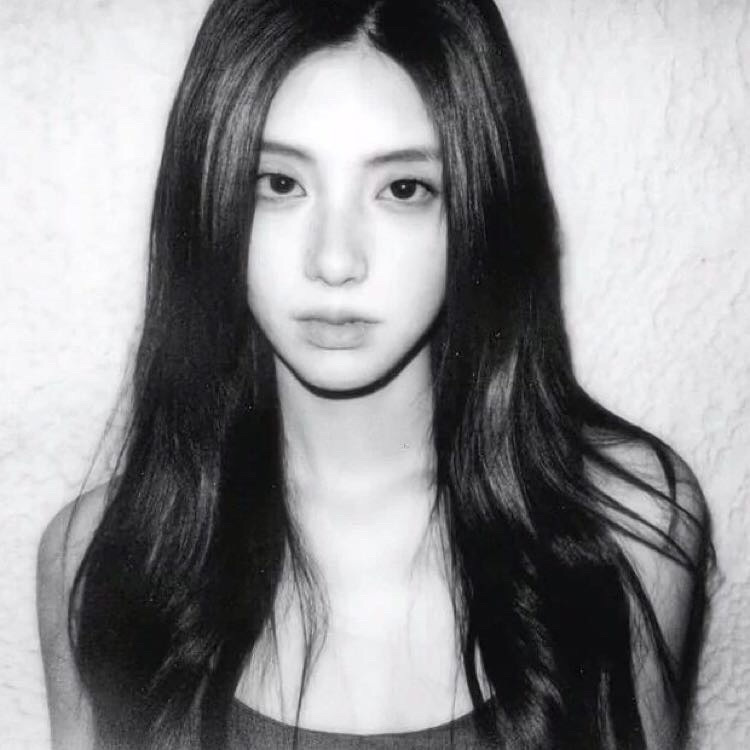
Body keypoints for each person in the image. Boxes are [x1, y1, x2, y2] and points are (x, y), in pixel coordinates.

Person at [36, 0, 714, 748]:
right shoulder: (98, 556)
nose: (334, 261)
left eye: (403, 189)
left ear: (483, 208)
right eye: (278, 183)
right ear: (208, 199)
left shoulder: (630, 526)